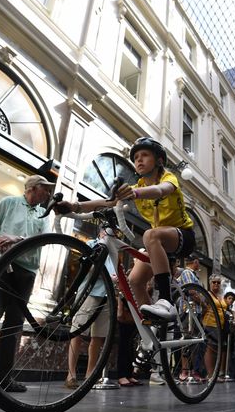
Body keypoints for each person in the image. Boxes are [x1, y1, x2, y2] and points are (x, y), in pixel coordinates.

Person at [58, 137, 195, 324]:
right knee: (135, 280)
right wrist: (74, 206)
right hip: (158, 243)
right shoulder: (137, 186)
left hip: (182, 236)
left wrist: (135, 193)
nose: (139, 160)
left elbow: (161, 190)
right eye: (136, 157)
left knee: (150, 234)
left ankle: (166, 302)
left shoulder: (167, 178)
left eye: (145, 155)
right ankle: (155, 327)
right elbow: (106, 202)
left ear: (159, 160)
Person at [0, 174, 53, 393]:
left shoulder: (43, 213)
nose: (47, 194)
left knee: (14, 325)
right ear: (32, 188)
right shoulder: (9, 203)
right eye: (44, 189)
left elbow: (45, 239)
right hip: (1, 266)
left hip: (27, 272)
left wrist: (16, 239)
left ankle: (3, 378)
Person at [65, 231, 114, 390]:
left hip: (107, 295)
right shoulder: (93, 245)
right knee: (77, 332)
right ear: (101, 232)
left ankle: (90, 374)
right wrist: (108, 276)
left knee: (98, 336)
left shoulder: (113, 249)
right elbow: (88, 268)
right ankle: (71, 374)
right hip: (89, 292)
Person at [202, 274, 228, 382]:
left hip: (219, 326)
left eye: (218, 282)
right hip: (209, 324)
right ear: (210, 284)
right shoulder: (207, 294)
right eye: (214, 282)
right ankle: (210, 375)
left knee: (216, 350)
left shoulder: (220, 296)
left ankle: (214, 374)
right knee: (210, 349)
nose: (216, 284)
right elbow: (203, 308)